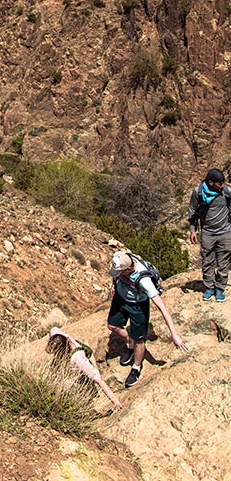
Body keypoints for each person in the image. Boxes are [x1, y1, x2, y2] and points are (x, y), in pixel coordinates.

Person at [107, 250, 187, 388]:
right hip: (121, 299)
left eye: (120, 272)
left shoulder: (144, 280)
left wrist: (174, 334)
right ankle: (129, 343)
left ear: (128, 269)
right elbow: (116, 273)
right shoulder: (121, 257)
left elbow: (163, 308)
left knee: (139, 339)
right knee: (112, 325)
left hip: (138, 306)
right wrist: (114, 284)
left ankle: (136, 367)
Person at [46, 328, 122, 411]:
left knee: (65, 385)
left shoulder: (78, 359)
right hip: (71, 362)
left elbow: (99, 380)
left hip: (81, 376)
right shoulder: (64, 337)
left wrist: (115, 402)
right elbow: (54, 329)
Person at [188, 168, 231, 302]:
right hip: (207, 233)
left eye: (223, 183)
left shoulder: (227, 192)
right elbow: (192, 211)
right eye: (219, 183)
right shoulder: (199, 192)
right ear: (211, 182)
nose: (222, 186)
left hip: (225, 232)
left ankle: (220, 288)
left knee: (223, 263)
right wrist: (192, 230)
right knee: (207, 261)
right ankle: (209, 287)